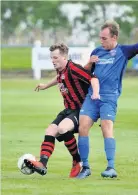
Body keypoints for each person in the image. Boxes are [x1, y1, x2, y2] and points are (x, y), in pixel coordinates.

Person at [76, 21, 138, 179]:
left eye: (104, 38)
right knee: (83, 127)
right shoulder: (97, 51)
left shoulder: (124, 52)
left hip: (109, 98)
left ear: (114, 37)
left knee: (106, 127)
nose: (101, 41)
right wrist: (90, 62)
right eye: (100, 38)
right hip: (92, 97)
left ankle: (110, 167)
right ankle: (85, 167)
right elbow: (85, 72)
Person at [24, 43, 100, 177]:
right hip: (68, 109)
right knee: (50, 131)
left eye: (55, 58)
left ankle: (77, 161)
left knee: (62, 129)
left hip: (80, 110)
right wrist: (46, 85)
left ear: (64, 57)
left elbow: (92, 78)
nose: (53, 61)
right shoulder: (61, 69)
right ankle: (42, 164)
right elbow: (59, 78)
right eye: (51, 58)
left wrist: (95, 93)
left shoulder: (73, 68)